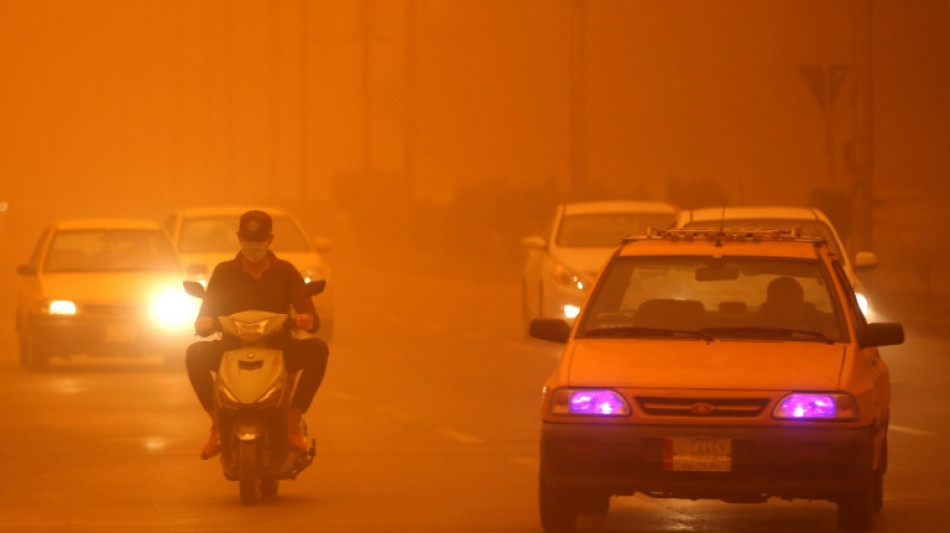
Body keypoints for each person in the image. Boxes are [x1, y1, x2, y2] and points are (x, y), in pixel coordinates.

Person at [185, 209, 330, 460]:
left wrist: (306, 319)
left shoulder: (286, 272)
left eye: (259, 241)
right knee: (194, 353)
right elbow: (206, 312)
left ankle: (292, 424)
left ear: (270, 240)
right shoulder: (223, 272)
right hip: (230, 349)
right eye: (249, 241)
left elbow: (309, 314)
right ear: (239, 238)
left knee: (318, 350)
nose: (254, 246)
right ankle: (217, 425)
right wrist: (203, 323)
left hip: (279, 349)